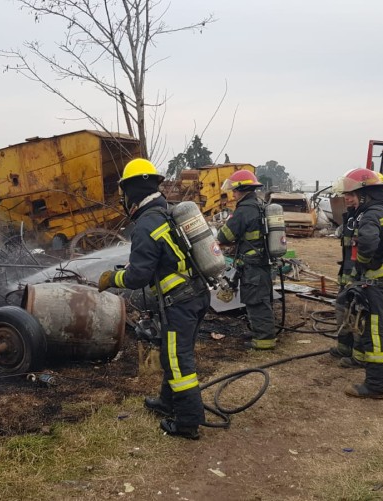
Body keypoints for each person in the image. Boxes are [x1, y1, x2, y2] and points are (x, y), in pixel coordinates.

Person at [97, 158, 210, 439]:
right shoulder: (166, 212)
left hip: (181, 303)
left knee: (178, 360)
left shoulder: (147, 224)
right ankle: (166, 402)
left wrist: (113, 279)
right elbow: (160, 261)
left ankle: (187, 422)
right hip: (196, 295)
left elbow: (137, 278)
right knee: (173, 355)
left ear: (132, 190)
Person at [332, 167, 383, 399]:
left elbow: (368, 242)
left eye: (352, 194)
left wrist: (362, 264)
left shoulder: (370, 215)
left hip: (376, 285)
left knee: (374, 335)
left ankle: (375, 386)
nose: (348, 199)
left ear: (366, 194)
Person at [216, 170, 276, 350]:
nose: (233, 194)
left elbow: (224, 235)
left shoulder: (244, 210)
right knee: (259, 298)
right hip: (261, 262)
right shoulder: (259, 204)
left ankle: (264, 340)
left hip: (253, 264)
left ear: (242, 189)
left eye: (234, 190)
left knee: (256, 300)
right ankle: (260, 331)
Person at [329, 182, 359, 360]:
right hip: (347, 273)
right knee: (342, 308)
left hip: (358, 276)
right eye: (345, 194)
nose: (347, 198)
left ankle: (356, 353)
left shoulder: (366, 217)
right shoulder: (353, 216)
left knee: (355, 313)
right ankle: (344, 348)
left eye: (351, 194)